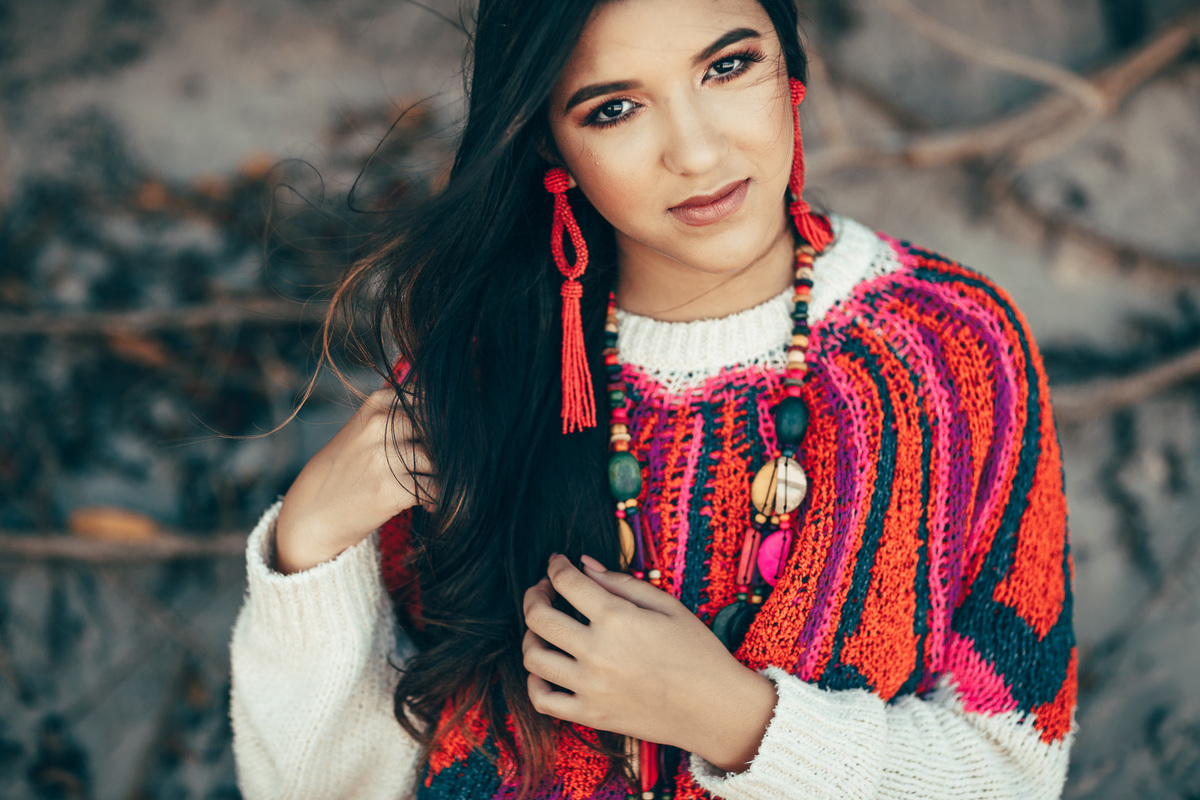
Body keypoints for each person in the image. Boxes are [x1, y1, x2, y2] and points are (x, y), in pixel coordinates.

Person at [228, 0, 1077, 797]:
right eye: (614, 109)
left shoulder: (950, 347)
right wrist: (309, 552)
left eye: (728, 66)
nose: (697, 152)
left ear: (791, 66)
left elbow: (1012, 768)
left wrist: (731, 717)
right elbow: (326, 783)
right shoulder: (483, 372)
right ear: (549, 147)